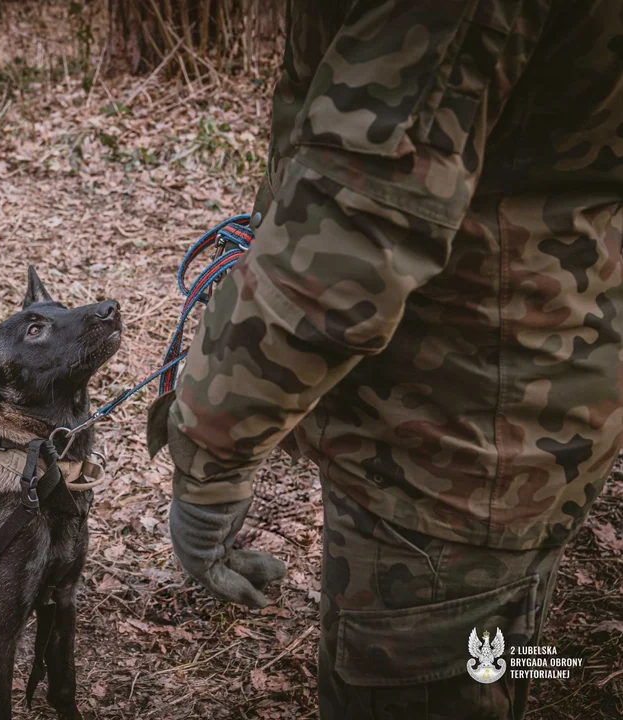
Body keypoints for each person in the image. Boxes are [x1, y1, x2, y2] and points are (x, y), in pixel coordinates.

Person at [146, 2, 623, 717]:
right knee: (486, 655)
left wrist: (208, 462)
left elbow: (348, 234)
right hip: (516, 412)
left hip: (446, 451)